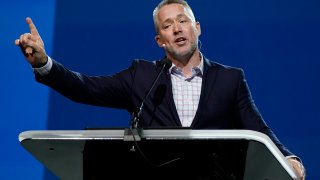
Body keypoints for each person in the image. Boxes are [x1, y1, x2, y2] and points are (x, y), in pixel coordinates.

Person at [15, 0, 305, 179]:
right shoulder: (141, 75)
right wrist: (44, 63)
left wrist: (288, 157)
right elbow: (85, 88)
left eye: (183, 21)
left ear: (197, 28)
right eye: (168, 25)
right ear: (159, 40)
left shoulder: (231, 78)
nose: (177, 28)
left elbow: (256, 128)